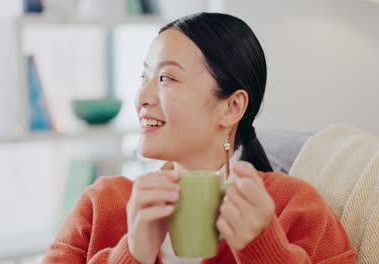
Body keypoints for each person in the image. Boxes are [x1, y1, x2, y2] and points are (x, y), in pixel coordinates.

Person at [43, 13, 356, 264]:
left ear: (232, 107)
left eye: (166, 78)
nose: (142, 97)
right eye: (144, 77)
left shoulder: (296, 207)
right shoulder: (101, 204)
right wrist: (132, 254)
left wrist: (265, 250)